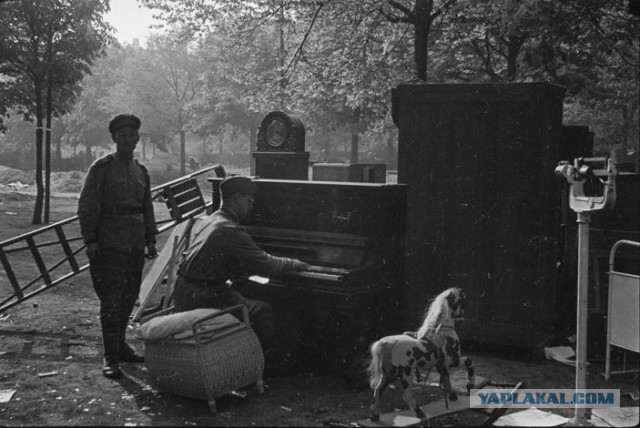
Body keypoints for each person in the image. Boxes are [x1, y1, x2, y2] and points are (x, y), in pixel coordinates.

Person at [173, 175, 309, 351]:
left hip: (184, 291)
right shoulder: (230, 229)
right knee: (263, 310)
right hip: (204, 296)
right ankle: (262, 362)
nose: (251, 207)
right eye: (249, 201)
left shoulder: (210, 220)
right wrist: (294, 263)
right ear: (236, 198)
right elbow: (267, 265)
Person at [78, 114, 158, 379]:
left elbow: (146, 208)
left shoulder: (141, 172)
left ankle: (121, 345)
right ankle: (110, 357)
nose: (127, 139)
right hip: (109, 244)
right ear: (113, 138)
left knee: (128, 297)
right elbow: (88, 205)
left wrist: (150, 238)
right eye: (121, 135)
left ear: (138, 138)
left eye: (131, 135)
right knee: (110, 300)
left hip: (134, 245)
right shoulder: (101, 168)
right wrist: (90, 240)